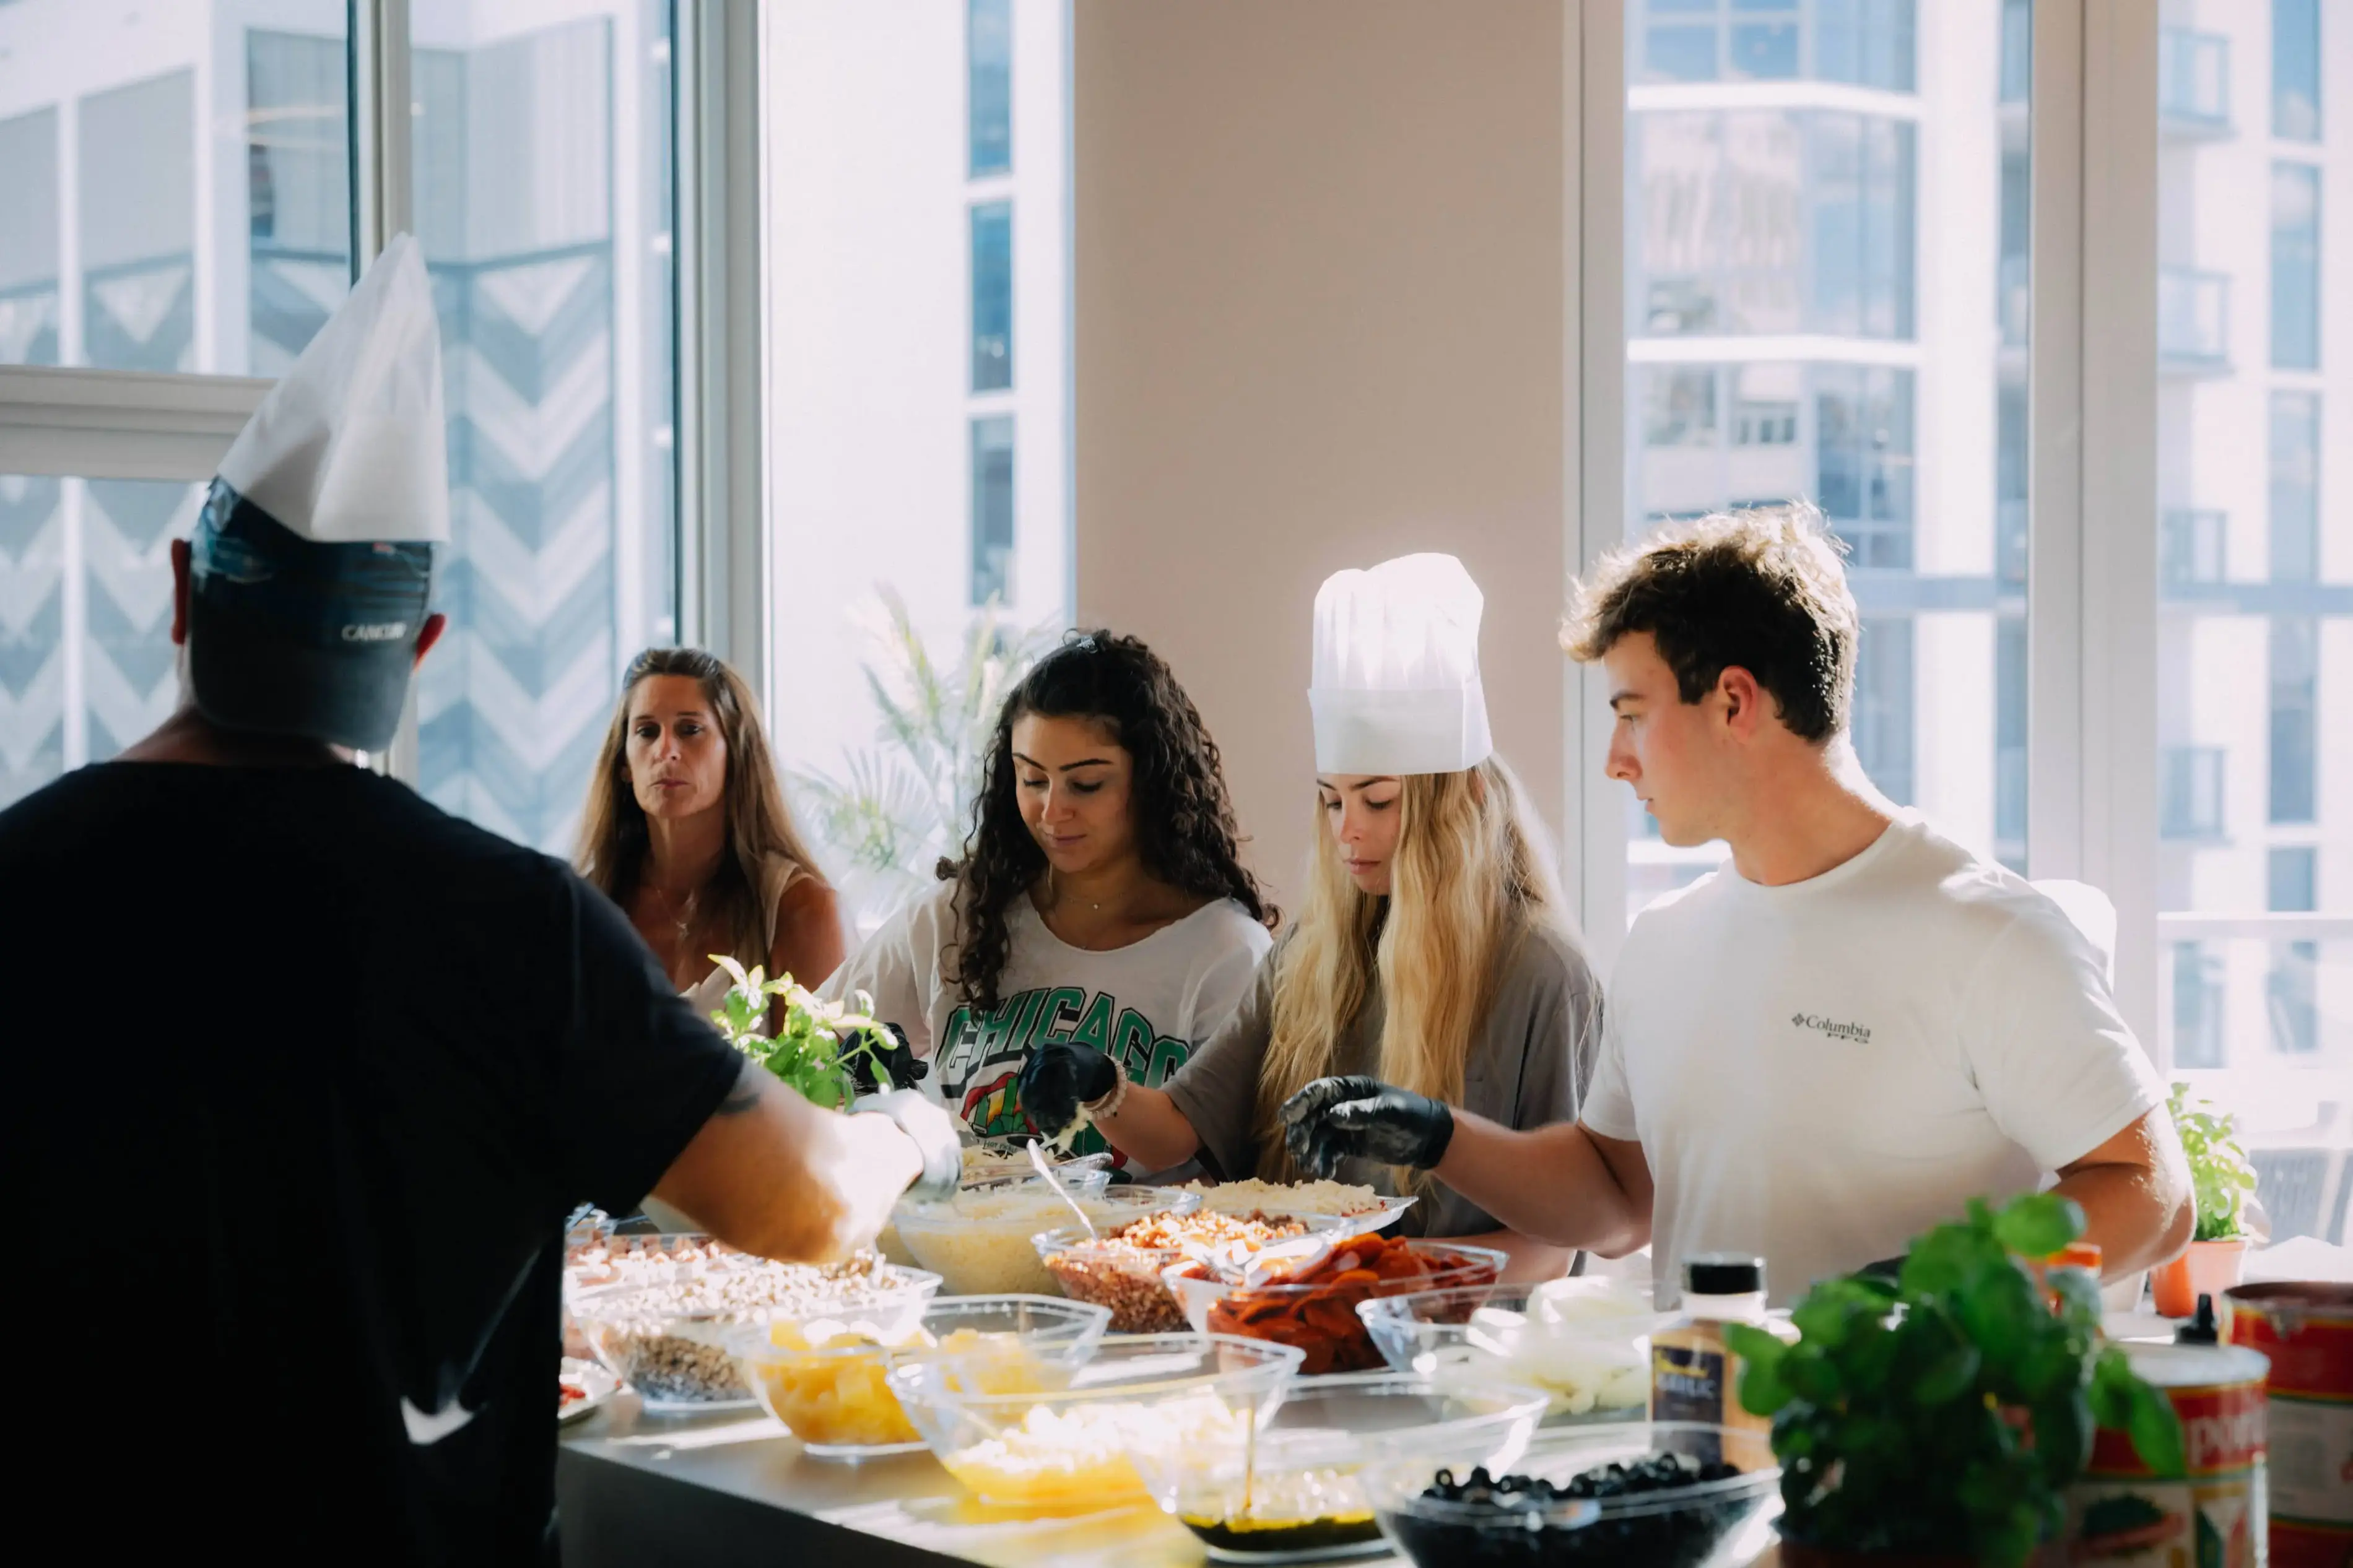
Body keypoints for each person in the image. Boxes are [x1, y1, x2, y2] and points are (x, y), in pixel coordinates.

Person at [6, 236, 958, 1566]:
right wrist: (912, 1126)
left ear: (181, 590)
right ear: (422, 648)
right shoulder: (510, 922)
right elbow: (802, 1206)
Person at [1281, 506, 2193, 1306]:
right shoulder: (1663, 943)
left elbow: (2151, 1192)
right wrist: (1439, 1134)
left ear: (1733, 702)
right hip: (1698, 1420)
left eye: (1631, 714)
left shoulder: (1986, 932)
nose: (1614, 760)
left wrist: (1940, 1290)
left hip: (1900, 1428)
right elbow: (1618, 1199)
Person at [1019, 555, 1602, 1282]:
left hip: (1456, 1339)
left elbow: (1551, 1248)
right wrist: (1097, 1083)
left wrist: (1364, 1273)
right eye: (1331, 800)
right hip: (1303, 1316)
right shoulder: (1311, 952)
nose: (1346, 830)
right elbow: (1174, 1131)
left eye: (1377, 802)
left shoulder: (1543, 975)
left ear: (1461, 800)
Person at [822, 630, 1277, 1172]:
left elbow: (1239, 1161)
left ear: (1151, 781)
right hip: (961, 1225)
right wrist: (855, 1078)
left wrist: (1102, 1084)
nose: (1052, 811)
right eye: (1032, 779)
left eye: (1086, 784)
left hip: (1148, 1231)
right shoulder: (957, 915)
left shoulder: (1225, 950)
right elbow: (802, 1049)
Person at [577, 648, 846, 1004]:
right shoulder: (587, 903)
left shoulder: (798, 908)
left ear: (735, 752)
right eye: (647, 731)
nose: (666, 751)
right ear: (624, 763)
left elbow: (814, 1044)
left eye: (690, 730)